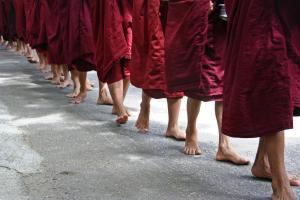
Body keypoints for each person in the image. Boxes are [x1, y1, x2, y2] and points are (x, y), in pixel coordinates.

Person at [222, 0, 300, 199]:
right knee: (271, 84)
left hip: (279, 13)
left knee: (277, 79)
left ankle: (263, 163)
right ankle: (280, 184)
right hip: (259, 12)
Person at [164, 0, 249, 165]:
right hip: (201, 25)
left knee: (224, 85)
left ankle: (224, 145)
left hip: (223, 23)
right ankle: (191, 131)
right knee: (199, 83)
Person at [131, 0, 185, 140]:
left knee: (176, 61)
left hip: (178, 8)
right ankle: (145, 106)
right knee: (153, 57)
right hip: (153, 8)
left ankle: (173, 125)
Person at [93, 0, 132, 124]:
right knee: (112, 49)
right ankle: (119, 106)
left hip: (129, 6)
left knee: (129, 52)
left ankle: (118, 103)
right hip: (108, 5)